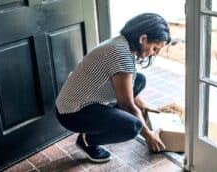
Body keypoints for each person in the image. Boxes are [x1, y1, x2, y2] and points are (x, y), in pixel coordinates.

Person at [55, 13, 171, 163]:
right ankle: (87, 140)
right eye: (155, 48)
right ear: (143, 39)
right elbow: (127, 105)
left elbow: (127, 90)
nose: (154, 54)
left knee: (139, 80)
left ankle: (108, 120)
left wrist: (143, 106)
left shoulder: (120, 43)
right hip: (71, 113)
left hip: (78, 101)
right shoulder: (121, 56)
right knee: (132, 127)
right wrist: (149, 135)